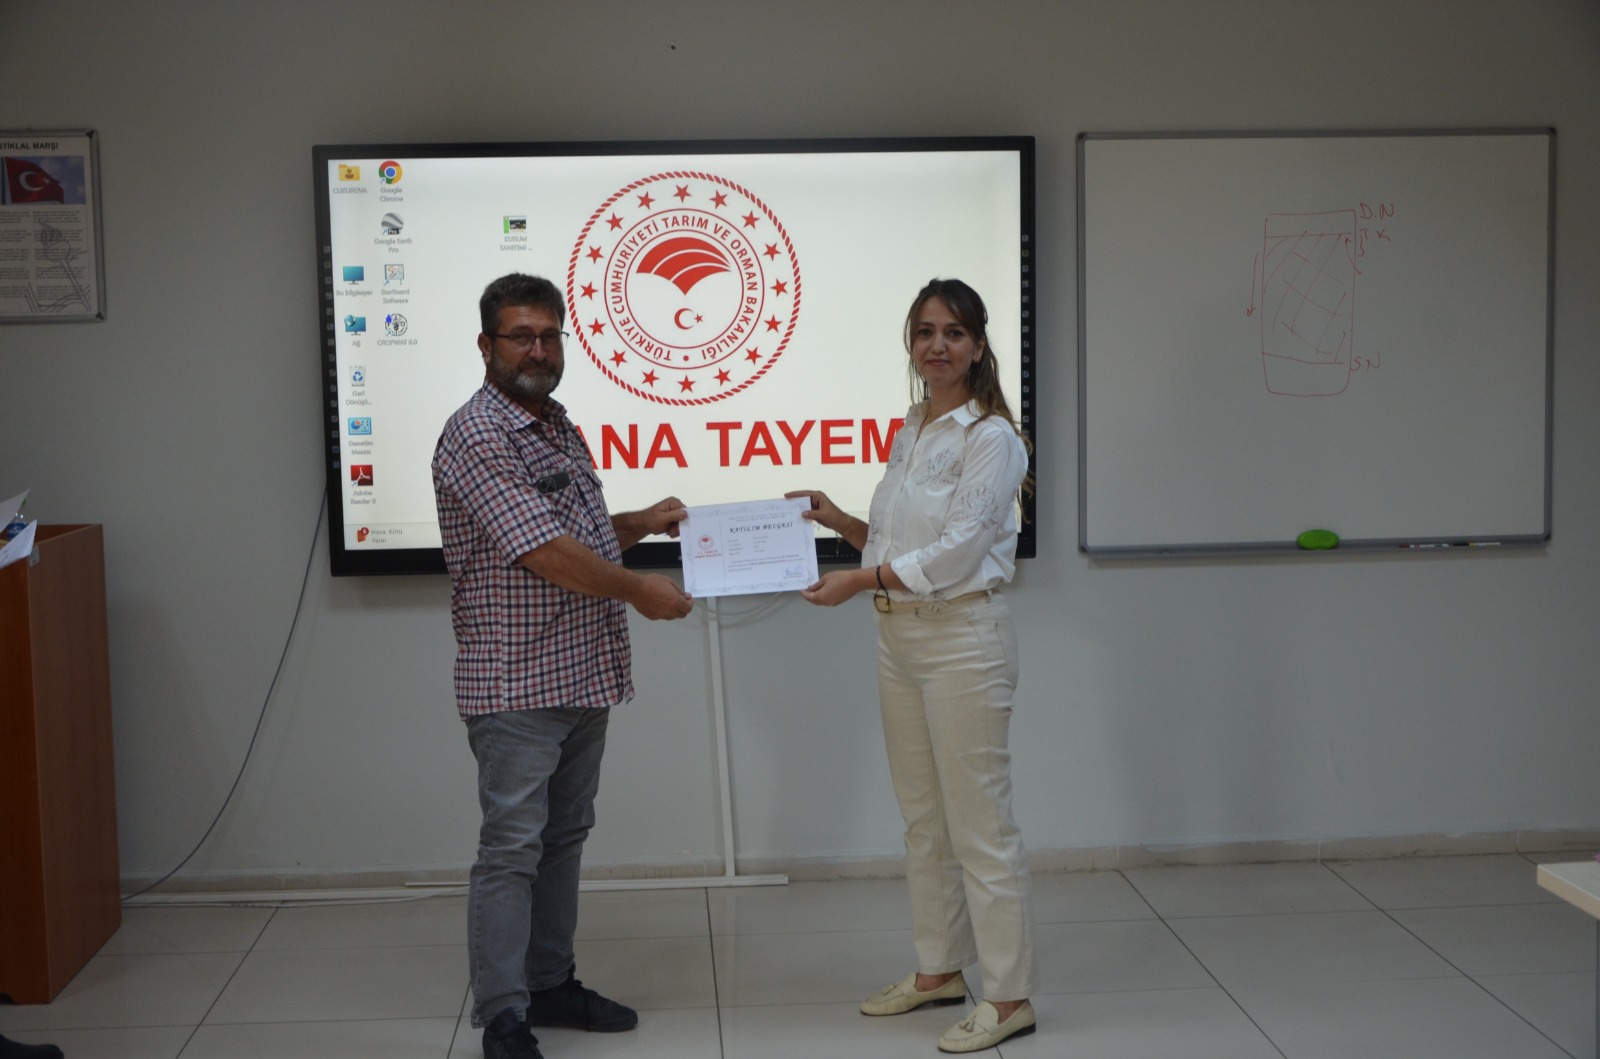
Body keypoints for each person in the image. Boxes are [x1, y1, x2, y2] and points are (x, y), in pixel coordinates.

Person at [432, 273, 694, 1059]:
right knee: (513, 846)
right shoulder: (479, 433)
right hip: (517, 683)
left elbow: (573, 531)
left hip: (581, 674)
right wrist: (641, 591)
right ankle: (504, 1016)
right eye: (521, 336)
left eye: (549, 335)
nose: (538, 350)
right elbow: (544, 551)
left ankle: (549, 982)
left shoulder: (555, 424)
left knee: (564, 836)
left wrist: (641, 522)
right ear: (486, 345)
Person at [788, 278, 1037, 1054]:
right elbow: (898, 541)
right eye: (925, 331)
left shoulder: (992, 437)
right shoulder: (913, 425)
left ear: (979, 346)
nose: (938, 345)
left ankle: (1010, 994)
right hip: (898, 637)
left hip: (963, 639)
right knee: (924, 819)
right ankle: (939, 970)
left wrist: (858, 579)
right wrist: (835, 518)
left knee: (980, 825)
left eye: (954, 332)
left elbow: (958, 553)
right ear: (911, 342)